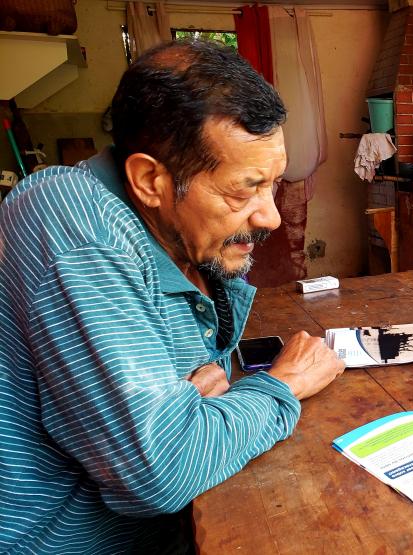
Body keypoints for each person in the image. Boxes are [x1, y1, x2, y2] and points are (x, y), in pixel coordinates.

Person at [0, 41, 344, 553]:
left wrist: (193, 416)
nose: (269, 215)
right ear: (149, 180)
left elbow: (194, 408)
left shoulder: (176, 234)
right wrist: (280, 386)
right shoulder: (76, 225)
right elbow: (161, 471)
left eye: (272, 184)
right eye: (242, 190)